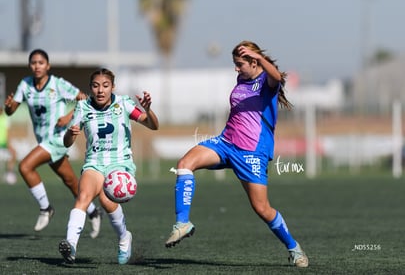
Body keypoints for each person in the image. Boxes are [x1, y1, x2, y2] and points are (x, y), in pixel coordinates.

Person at [165, 41, 309, 268]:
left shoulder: (266, 81)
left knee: (262, 208)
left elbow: (278, 77)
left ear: (254, 61)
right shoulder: (243, 79)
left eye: (239, 64)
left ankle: (294, 249)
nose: (236, 68)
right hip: (225, 142)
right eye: (235, 64)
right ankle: (182, 223)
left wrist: (260, 59)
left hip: (251, 151)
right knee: (185, 163)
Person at [58, 68, 159, 264]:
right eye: (95, 86)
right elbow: (66, 142)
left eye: (105, 86)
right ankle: (70, 246)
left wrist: (148, 109)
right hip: (94, 163)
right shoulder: (82, 107)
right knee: (83, 197)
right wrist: (71, 133)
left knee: (106, 200)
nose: (100, 90)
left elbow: (153, 125)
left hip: (120, 163)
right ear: (90, 88)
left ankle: (124, 237)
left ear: (113, 87)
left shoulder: (124, 104)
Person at [4, 49, 102, 238]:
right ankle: (93, 212)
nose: (37, 66)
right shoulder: (25, 84)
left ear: (47, 66)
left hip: (58, 139)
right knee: (71, 181)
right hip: (43, 140)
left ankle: (46, 208)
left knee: (25, 167)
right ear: (29, 66)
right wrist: (8, 107)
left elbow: (85, 99)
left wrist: (69, 117)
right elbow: (10, 111)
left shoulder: (57, 84)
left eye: (41, 62)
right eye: (33, 62)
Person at [0, 107, 17, 185]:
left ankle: (9, 173)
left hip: (4, 143)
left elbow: (8, 132)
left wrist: (9, 143)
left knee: (13, 153)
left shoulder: (5, 119)